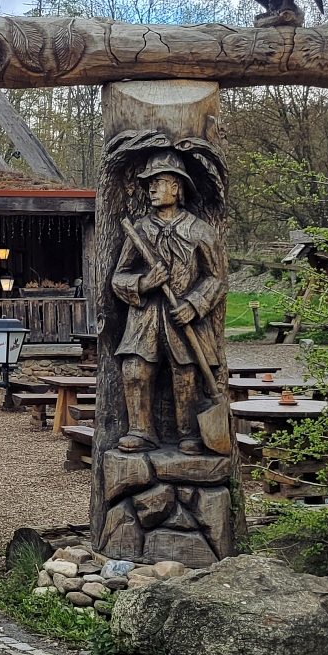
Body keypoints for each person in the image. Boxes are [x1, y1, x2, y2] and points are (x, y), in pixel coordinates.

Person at [110, 152, 224, 455]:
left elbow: (216, 279)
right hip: (145, 317)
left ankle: (188, 432)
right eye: (149, 184)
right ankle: (141, 430)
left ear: (177, 188)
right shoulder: (140, 231)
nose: (151, 189)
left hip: (181, 316)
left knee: (186, 373)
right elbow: (118, 278)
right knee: (135, 370)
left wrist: (195, 304)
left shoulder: (199, 230)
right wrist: (144, 284)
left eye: (158, 182)